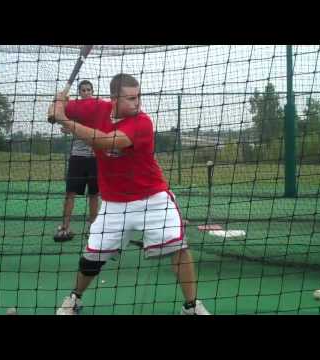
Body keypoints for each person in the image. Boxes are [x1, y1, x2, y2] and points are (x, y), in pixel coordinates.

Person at [51, 73, 210, 315]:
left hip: (152, 199)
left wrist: (64, 120)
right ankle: (74, 299)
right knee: (91, 258)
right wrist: (58, 103)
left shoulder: (142, 122)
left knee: (179, 248)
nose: (138, 103)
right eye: (131, 98)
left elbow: (106, 141)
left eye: (139, 97)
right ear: (114, 98)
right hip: (114, 204)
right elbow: (54, 110)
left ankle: (191, 307)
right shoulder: (96, 108)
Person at [53, 80, 100, 242]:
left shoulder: (97, 108)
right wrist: (59, 100)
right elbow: (58, 117)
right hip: (77, 157)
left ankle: (93, 229)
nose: (86, 92)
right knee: (70, 193)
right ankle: (65, 227)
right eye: (83, 90)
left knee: (94, 194)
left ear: (92, 91)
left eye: (88, 90)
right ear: (79, 92)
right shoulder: (74, 109)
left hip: (95, 158)